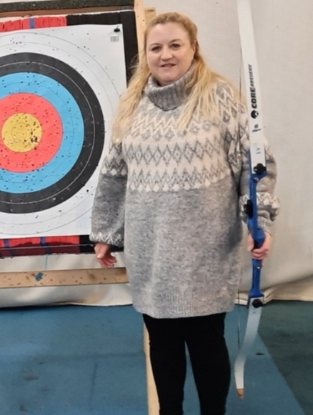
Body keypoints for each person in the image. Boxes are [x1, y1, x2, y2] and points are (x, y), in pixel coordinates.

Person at [90, 12, 279, 415]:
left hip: (206, 254)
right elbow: (113, 175)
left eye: (175, 44)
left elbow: (256, 167)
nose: (166, 54)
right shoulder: (131, 108)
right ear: (146, 56)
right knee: (163, 343)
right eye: (156, 47)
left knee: (208, 343)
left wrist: (259, 221)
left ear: (193, 48)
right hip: (150, 252)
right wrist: (106, 230)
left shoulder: (221, 99)